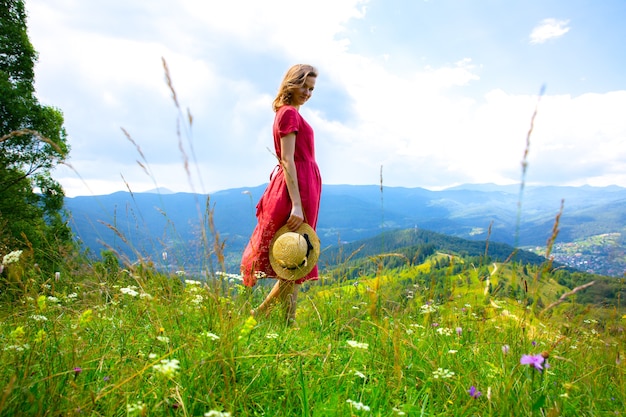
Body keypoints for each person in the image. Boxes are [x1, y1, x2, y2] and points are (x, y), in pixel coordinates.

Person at [240, 64, 322, 325]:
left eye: (311, 89)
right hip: (296, 190)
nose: (308, 93)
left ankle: (286, 321)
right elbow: (287, 160)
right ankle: (265, 318)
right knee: (295, 258)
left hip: (304, 186)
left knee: (298, 260)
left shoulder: (291, 113)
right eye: (304, 86)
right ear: (291, 83)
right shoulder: (288, 114)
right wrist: (296, 205)